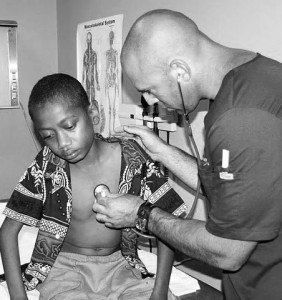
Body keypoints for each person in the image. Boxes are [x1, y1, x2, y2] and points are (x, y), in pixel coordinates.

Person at [92, 9, 282, 300]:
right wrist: (159, 150)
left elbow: (228, 251)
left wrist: (141, 214)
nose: (149, 102)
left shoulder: (240, 118)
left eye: (150, 90)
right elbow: (236, 190)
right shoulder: (260, 75)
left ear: (179, 70)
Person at [0, 73, 188, 299]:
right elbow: (8, 231)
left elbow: (167, 223)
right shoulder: (47, 167)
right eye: (48, 136)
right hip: (67, 273)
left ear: (93, 114)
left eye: (69, 126)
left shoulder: (133, 159)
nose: (62, 144)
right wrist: (17, 296)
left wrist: (159, 291)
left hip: (121, 267)